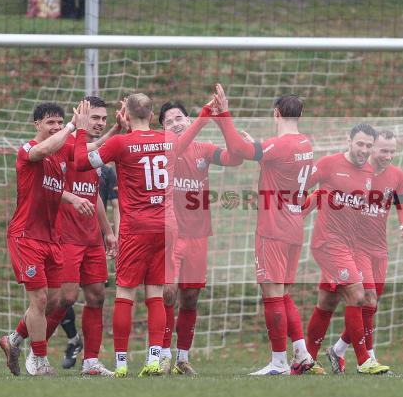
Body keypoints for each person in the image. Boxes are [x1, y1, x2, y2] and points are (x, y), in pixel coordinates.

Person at [72, 93, 214, 377]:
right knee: (156, 294)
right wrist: (209, 110)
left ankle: (122, 364)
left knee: (125, 294)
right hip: (166, 227)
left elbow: (79, 163)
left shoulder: (120, 143)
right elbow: (192, 132)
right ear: (151, 116)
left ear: (126, 116)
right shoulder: (169, 140)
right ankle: (154, 358)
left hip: (136, 228)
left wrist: (81, 130)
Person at [211, 84, 317, 376]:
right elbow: (268, 157)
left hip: (273, 228)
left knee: (272, 295)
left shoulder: (279, 145)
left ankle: (278, 363)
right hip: (295, 226)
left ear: (276, 113)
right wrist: (255, 146)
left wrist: (224, 115)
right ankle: (302, 354)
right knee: (283, 295)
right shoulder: (305, 144)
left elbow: (240, 151)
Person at [0, 102, 97, 376]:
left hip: (52, 238)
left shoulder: (62, 149)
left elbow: (89, 151)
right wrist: (71, 127)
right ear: (37, 125)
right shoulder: (28, 150)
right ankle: (39, 360)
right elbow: (44, 149)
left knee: (55, 300)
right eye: (50, 122)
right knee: (39, 299)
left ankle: (14, 339)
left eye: (59, 122)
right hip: (26, 236)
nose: (55, 126)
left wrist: (116, 129)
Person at [26, 96, 118, 377]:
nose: (100, 123)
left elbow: (95, 196)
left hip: (90, 237)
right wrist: (71, 198)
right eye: (95, 118)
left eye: (104, 119)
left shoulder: (94, 155)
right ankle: (35, 350)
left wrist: (108, 232)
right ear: (82, 117)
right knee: (63, 298)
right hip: (63, 235)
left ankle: (91, 362)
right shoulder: (60, 147)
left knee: (97, 296)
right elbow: (46, 186)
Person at [158, 100, 243, 376]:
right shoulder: (164, 148)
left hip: (198, 236)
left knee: (190, 298)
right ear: (162, 129)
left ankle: (182, 358)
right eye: (169, 121)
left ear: (188, 119)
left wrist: (223, 122)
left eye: (179, 117)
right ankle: (162, 354)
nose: (175, 123)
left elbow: (235, 158)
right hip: (170, 234)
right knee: (167, 294)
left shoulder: (203, 149)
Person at [323, 130, 403, 373]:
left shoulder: (397, 176)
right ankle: (369, 359)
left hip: (379, 249)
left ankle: (338, 349)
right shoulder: (358, 173)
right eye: (384, 150)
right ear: (373, 149)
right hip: (356, 246)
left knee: (371, 306)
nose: (389, 156)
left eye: (393, 151)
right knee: (367, 299)